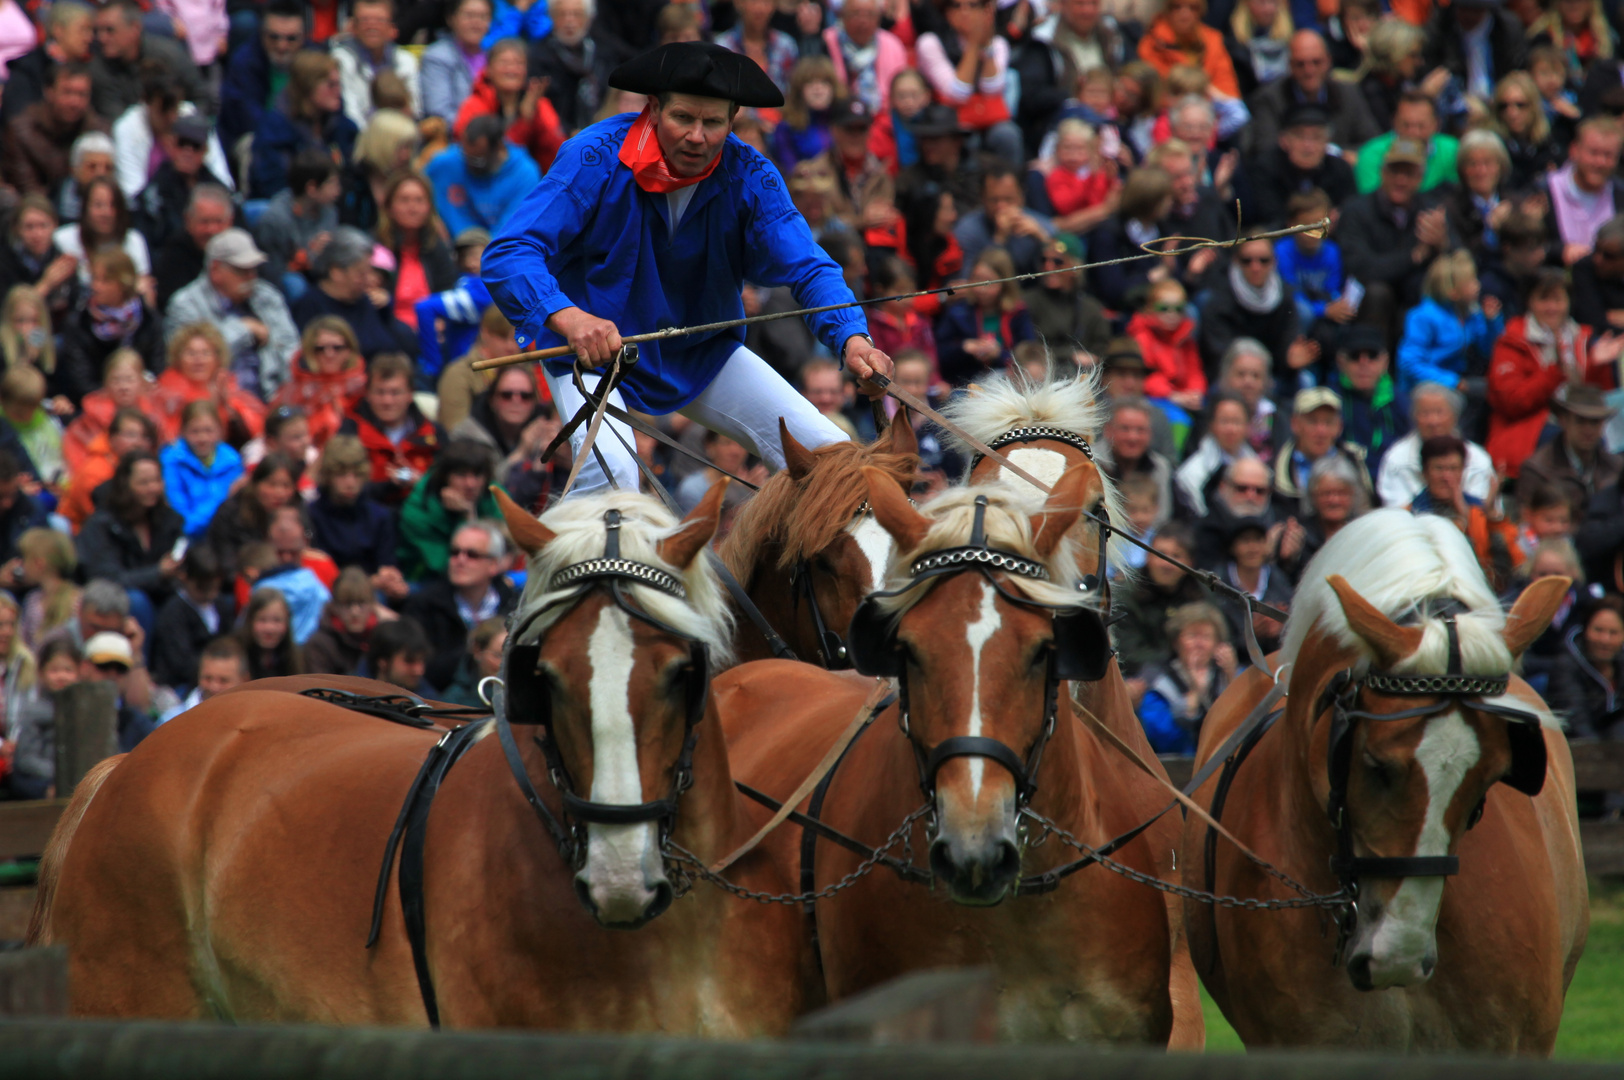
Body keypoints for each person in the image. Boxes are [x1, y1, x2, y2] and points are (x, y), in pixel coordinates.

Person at [483, 42, 892, 498]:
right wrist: (570, 317)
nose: (696, 136)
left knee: (831, 459)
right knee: (614, 476)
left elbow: (811, 268)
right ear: (654, 110)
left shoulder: (753, 174)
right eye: (683, 118)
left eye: (712, 122)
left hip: (701, 351)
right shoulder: (593, 155)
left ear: (732, 120)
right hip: (591, 354)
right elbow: (509, 252)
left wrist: (854, 337)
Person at [1488, 269, 1623, 480]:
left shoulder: (1584, 339)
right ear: (1530, 302)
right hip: (1529, 431)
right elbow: (1512, 402)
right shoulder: (1511, 342)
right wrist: (1555, 372)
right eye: (1544, 299)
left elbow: (1598, 403)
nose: (1552, 307)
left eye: (1558, 300)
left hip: (1582, 424)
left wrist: (1596, 367)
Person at [1339, 139, 1456, 330]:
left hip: (1416, 300)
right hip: (1366, 307)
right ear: (1382, 172)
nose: (1401, 181)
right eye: (1395, 172)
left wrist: (1442, 244)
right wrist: (1414, 256)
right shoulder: (1356, 210)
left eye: (1409, 174)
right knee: (1378, 292)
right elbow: (1362, 268)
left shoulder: (1432, 210)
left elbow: (1459, 260)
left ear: (1420, 178)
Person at [401, 519, 517, 691]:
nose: (460, 560)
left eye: (472, 554)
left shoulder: (515, 605)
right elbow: (422, 672)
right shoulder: (423, 605)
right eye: (455, 552)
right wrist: (473, 649)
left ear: (493, 564)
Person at [1199, 231, 1315, 389]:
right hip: (1234, 375)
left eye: (1263, 260)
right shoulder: (1219, 299)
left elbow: (1285, 350)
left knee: (1306, 380)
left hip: (1271, 376)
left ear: (1274, 262)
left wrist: (1290, 363)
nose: (1255, 267)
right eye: (1247, 261)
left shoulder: (1285, 297)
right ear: (1236, 261)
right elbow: (1218, 356)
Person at [76, 451, 185, 616]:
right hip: (113, 602)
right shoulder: (101, 525)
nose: (153, 488)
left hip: (160, 596)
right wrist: (158, 572)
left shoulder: (169, 519)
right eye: (143, 483)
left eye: (157, 481)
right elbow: (108, 580)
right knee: (136, 601)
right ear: (125, 484)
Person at [1409, 433, 1521, 589]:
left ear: (1463, 472)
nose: (1446, 477)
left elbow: (1512, 566)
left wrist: (1490, 518)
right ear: (1424, 473)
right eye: (1439, 468)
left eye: (1453, 468)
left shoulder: (1479, 512)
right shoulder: (1410, 516)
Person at [1243, 30, 1378, 158]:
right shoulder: (1269, 98)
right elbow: (1266, 151)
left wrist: (1337, 156)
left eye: (1316, 62)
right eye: (1300, 64)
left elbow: (1372, 145)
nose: (1309, 71)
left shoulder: (1348, 93)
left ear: (1328, 61)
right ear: (1289, 66)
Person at [291, 227, 418, 360]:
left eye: (370, 271)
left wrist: (387, 309)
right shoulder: (310, 306)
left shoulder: (368, 302)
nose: (369, 279)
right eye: (361, 274)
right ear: (337, 273)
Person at [111, 66, 232, 205]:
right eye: (163, 110)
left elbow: (221, 176)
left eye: (174, 108)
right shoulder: (127, 128)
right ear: (146, 102)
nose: (171, 117)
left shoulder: (192, 117)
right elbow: (132, 194)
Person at [57, 249, 163, 406]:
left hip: (144, 403)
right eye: (94, 279)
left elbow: (158, 368)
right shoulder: (79, 324)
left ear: (123, 283)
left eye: (104, 281)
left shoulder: (148, 319)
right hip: (98, 404)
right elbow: (81, 383)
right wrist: (117, 393)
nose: (95, 286)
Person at [249, 50, 359, 201]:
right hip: (291, 210)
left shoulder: (342, 126)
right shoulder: (276, 128)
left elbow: (352, 174)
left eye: (339, 84)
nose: (338, 91)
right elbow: (272, 183)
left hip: (335, 210)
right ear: (308, 86)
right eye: (331, 85)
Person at [307, 436, 405, 603]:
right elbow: (318, 575)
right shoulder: (312, 515)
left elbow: (387, 562)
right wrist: (369, 583)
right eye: (342, 475)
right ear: (328, 475)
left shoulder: (380, 516)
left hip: (374, 595)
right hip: (328, 595)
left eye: (356, 475)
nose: (350, 482)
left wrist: (391, 578)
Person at [338, 353, 441, 506]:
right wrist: (388, 486)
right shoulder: (349, 433)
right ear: (367, 394)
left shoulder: (434, 434)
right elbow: (337, 489)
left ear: (410, 394)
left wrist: (422, 482)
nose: (387, 401)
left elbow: (448, 486)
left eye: (395, 392)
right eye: (380, 392)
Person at [1396, 249, 1503, 397]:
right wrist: (1452, 382)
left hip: (1460, 379)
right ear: (1453, 291)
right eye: (1471, 281)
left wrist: (1492, 322)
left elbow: (1487, 349)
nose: (1478, 285)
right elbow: (1409, 363)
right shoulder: (1422, 317)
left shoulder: (1471, 312)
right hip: (1426, 387)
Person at [87, 0, 210, 124]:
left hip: (179, 129)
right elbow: (116, 119)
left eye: (110, 30)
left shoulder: (168, 54)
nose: (102, 38)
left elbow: (201, 97)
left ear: (135, 28)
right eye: (98, 31)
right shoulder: (99, 69)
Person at [1138, 600, 1236, 754]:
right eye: (1192, 636)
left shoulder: (1231, 674)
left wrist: (1232, 681)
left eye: (1206, 637)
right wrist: (1192, 702)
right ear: (1176, 642)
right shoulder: (1158, 682)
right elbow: (1164, 741)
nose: (1199, 644)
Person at [1377, 381, 1495, 509]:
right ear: (1414, 417)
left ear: (1455, 416)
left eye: (1439, 412)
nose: (1433, 421)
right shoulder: (1397, 458)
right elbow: (1394, 510)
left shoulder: (1477, 459)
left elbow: (1483, 511)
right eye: (1425, 413)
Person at [426, 114, 545, 240]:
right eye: (465, 155)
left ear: (499, 147)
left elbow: (512, 230)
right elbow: (414, 186)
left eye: (477, 160)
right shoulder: (445, 163)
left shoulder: (524, 175)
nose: (469, 164)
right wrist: (431, 218)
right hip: (447, 249)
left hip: (494, 251)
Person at [395, 440, 501, 581]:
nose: (471, 484)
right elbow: (447, 566)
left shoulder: (494, 494)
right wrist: (467, 517)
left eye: (477, 475)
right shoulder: (417, 508)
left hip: (488, 578)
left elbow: (509, 550)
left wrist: (470, 513)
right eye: (461, 475)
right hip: (426, 581)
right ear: (444, 478)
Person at [1517, 383, 1622, 523]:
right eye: (1580, 421)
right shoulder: (1537, 470)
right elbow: (1526, 526)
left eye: (1595, 422)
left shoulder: (1617, 467)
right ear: (1563, 420)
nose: (1588, 429)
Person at [151, 322, 267, 447]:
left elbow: (252, 438)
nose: (198, 359)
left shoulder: (233, 395)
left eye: (205, 353)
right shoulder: (166, 397)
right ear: (178, 359)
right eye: (191, 353)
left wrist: (227, 409)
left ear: (217, 359)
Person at [4, 62, 109, 197]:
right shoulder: (21, 132)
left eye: (82, 94)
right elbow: (28, 192)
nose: (74, 102)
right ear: (49, 92)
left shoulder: (99, 131)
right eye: (67, 92)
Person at [218, 0, 305, 155]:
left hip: (303, 139)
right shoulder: (244, 63)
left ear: (303, 37)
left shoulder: (312, 59)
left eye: (291, 38)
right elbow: (249, 119)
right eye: (274, 37)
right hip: (256, 141)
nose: (282, 46)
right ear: (262, 34)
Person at [1271, 386, 1373, 517]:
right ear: (1295, 424)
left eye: (1328, 422)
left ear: (1339, 427)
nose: (1321, 431)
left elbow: (1365, 510)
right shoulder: (1276, 467)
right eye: (1313, 422)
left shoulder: (1355, 461)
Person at [376, 172, 457, 335]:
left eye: (419, 200)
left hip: (432, 332)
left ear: (429, 207)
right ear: (389, 207)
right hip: (389, 332)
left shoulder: (437, 248)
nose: (412, 208)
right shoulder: (376, 247)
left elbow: (448, 293)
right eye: (404, 200)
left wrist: (442, 320)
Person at [254, 153, 341, 299]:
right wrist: (308, 255)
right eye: (332, 184)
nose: (338, 191)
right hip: (287, 286)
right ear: (312, 188)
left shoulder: (329, 211)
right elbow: (270, 273)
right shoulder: (275, 220)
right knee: (294, 284)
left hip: (321, 275)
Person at [416, 228, 494, 388]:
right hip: (469, 368)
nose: (469, 263)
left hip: (474, 373)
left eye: (476, 255)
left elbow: (424, 308)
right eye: (463, 256)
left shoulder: (482, 289)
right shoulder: (467, 284)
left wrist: (432, 366)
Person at [7, 637, 82, 798]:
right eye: (54, 670)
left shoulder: (84, 710)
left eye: (68, 670)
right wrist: (60, 774)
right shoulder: (35, 712)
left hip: (79, 778)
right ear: (41, 673)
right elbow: (26, 759)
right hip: (43, 778)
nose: (61, 676)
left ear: (79, 673)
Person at [2, 1, 95, 129]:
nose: (89, 38)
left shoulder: (89, 69)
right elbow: (17, 120)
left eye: (90, 31)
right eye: (82, 30)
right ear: (58, 30)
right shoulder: (29, 69)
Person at [204, 452, 297, 578]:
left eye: (286, 486)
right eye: (272, 485)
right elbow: (226, 563)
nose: (280, 493)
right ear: (256, 484)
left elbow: (309, 539)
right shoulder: (231, 513)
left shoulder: (297, 508)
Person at [1544, 118, 1624, 264]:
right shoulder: (1545, 191)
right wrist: (1560, 250)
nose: (1600, 162)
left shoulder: (1620, 195)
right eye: (1593, 153)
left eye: (1608, 155)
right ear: (1574, 150)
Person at [954, 160, 1052, 279]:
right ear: (982, 198)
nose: (1001, 207)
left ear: (1022, 196)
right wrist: (999, 239)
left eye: (1008, 199)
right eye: (994, 200)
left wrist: (1043, 239)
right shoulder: (967, 231)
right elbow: (969, 285)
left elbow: (1067, 271)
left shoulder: (1040, 225)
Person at [1333, 324, 1409, 477]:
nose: (1364, 363)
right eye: (1355, 356)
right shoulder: (1331, 401)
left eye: (1372, 355)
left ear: (1385, 361)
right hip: (1345, 481)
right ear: (1341, 362)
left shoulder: (1403, 403)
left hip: (1393, 481)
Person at [52, 176, 151, 291]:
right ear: (85, 208)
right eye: (98, 205)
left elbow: (145, 289)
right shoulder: (62, 239)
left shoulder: (134, 240)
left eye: (113, 205)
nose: (106, 213)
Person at [333, 0, 421, 128]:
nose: (372, 26)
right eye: (364, 20)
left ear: (392, 28)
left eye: (379, 20)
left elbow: (415, 109)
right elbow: (351, 114)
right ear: (353, 26)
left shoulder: (406, 60)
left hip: (401, 136)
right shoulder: (341, 60)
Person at [149, 544, 224, 692]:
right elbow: (180, 664)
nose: (210, 595)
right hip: (181, 685)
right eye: (202, 588)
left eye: (214, 588)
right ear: (184, 577)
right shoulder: (173, 613)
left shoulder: (221, 605)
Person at [162, 401, 243, 537]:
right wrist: (223, 498)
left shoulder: (232, 461)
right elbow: (181, 522)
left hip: (225, 537)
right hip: (187, 541)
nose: (202, 438)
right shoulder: (172, 461)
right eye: (195, 431)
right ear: (182, 431)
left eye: (208, 430)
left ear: (220, 431)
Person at [1279, 454, 1368, 578]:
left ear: (1353, 495)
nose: (1334, 500)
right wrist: (1288, 560)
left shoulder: (1364, 532)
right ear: (1313, 496)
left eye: (1341, 493)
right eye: (1326, 493)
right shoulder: (1300, 534)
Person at [1214, 516, 1293, 654]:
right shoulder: (1217, 585)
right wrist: (1249, 635)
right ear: (1232, 547)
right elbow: (1218, 638)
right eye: (1245, 541)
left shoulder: (1280, 581)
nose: (1252, 548)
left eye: (1258, 540)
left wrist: (1281, 628)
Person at [1354, 93, 1460, 196]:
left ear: (1436, 125)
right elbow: (1371, 203)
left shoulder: (1454, 151)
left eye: (1421, 126)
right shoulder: (1371, 154)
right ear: (1394, 122)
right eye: (1406, 125)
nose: (1413, 133)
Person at [1548, 597, 1624, 740]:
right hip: (1579, 750)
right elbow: (1576, 724)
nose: (1605, 640)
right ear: (1585, 630)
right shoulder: (1565, 667)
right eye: (1598, 630)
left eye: (1613, 633)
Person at [0, 197, 82, 327]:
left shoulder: (61, 258)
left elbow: (75, 304)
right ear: (17, 229)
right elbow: (8, 314)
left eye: (43, 226)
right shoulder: (5, 262)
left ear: (55, 225)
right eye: (29, 227)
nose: (37, 234)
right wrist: (46, 284)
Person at [153, 185, 233, 315]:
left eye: (218, 222)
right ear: (188, 220)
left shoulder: (242, 250)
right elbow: (171, 306)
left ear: (230, 222)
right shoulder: (174, 254)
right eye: (204, 222)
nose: (211, 230)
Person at [1130, 277, 1204, 414]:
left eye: (1178, 309)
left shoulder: (1186, 338)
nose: (1172, 314)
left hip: (1182, 397)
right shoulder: (1142, 337)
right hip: (1154, 399)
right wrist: (1172, 395)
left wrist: (1195, 392)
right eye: (1164, 308)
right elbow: (1145, 376)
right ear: (1150, 308)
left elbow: (1194, 372)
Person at [1177, 392, 1258, 516]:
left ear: (1248, 426)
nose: (1231, 429)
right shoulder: (1191, 474)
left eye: (1237, 422)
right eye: (1224, 422)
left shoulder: (1259, 468)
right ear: (1212, 425)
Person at [1138, 0, 1240, 98]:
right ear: (1167, 10)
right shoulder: (1153, 42)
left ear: (1201, 11)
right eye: (1177, 7)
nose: (1185, 14)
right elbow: (1155, 91)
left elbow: (1228, 90)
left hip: (1209, 108)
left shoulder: (1213, 41)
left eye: (1193, 8)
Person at [1102, 398, 1178, 528]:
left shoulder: (1160, 467)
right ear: (1108, 431)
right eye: (1125, 429)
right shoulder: (1091, 461)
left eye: (1140, 430)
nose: (1133, 437)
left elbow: (1163, 517)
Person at [421, 0, 495, 123]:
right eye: (469, 15)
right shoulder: (437, 56)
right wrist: (480, 132)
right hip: (454, 136)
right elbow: (438, 112)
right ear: (451, 19)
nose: (476, 22)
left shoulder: (493, 56)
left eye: (483, 16)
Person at [156, 635, 249, 723]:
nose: (214, 687)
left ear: (244, 680)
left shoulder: (257, 722)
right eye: (208, 678)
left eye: (223, 680)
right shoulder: (171, 721)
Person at [14, 527, 80, 650]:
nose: (20, 566)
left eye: (24, 559)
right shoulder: (33, 599)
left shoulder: (77, 601)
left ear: (39, 564)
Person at [0, 367, 64, 486]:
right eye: (19, 413)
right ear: (2, 400)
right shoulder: (4, 430)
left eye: (33, 410)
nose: (27, 417)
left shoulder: (49, 416)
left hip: (60, 479)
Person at [234, 587, 303, 680]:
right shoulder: (235, 655)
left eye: (277, 620)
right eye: (262, 620)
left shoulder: (295, 658)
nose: (269, 628)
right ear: (250, 621)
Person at [1573, 216, 1624, 335]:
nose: (1598, 259)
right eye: (1596, 249)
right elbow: (1592, 321)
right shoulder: (1584, 268)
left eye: (1608, 255)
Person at [440, 616, 505, 708]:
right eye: (498, 655)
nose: (504, 664)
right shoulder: (455, 699)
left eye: (511, 656)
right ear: (477, 650)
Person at [369, 615, 432, 694]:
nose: (419, 671)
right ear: (383, 662)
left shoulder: (430, 702)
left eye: (422, 660)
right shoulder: (352, 695)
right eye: (409, 661)